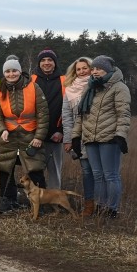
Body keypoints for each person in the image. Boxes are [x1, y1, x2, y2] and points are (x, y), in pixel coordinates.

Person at [72, 56, 131, 219]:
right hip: (91, 139)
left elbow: (123, 113)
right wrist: (76, 136)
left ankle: (111, 209)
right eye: (94, 68)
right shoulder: (90, 88)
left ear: (109, 70)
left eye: (99, 68)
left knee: (110, 175)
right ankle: (101, 206)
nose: (95, 71)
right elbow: (81, 115)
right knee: (97, 175)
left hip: (110, 139)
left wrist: (120, 135)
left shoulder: (119, 87)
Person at [0, 56, 49, 213]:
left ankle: (40, 203)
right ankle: (7, 201)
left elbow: (43, 114)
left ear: (20, 71)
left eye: (14, 70)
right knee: (5, 169)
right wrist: (1, 129)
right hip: (8, 136)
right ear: (4, 73)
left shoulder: (34, 87)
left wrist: (39, 137)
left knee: (35, 170)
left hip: (30, 135)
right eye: (8, 71)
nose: (11, 74)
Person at [61, 57, 95, 216]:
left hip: (97, 134)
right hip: (79, 136)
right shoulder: (69, 90)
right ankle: (89, 206)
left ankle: (104, 205)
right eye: (78, 69)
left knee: (100, 172)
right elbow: (67, 116)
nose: (82, 71)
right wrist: (68, 139)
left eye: (85, 68)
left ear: (91, 68)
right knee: (87, 171)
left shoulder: (97, 85)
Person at [31, 48, 66, 189]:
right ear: (39, 63)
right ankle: (36, 202)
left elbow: (69, 110)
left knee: (54, 172)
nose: (46, 63)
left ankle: (54, 204)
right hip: (34, 135)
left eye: (50, 60)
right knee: (33, 170)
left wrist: (61, 131)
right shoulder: (31, 80)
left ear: (55, 63)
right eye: (43, 60)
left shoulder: (64, 81)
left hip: (55, 135)